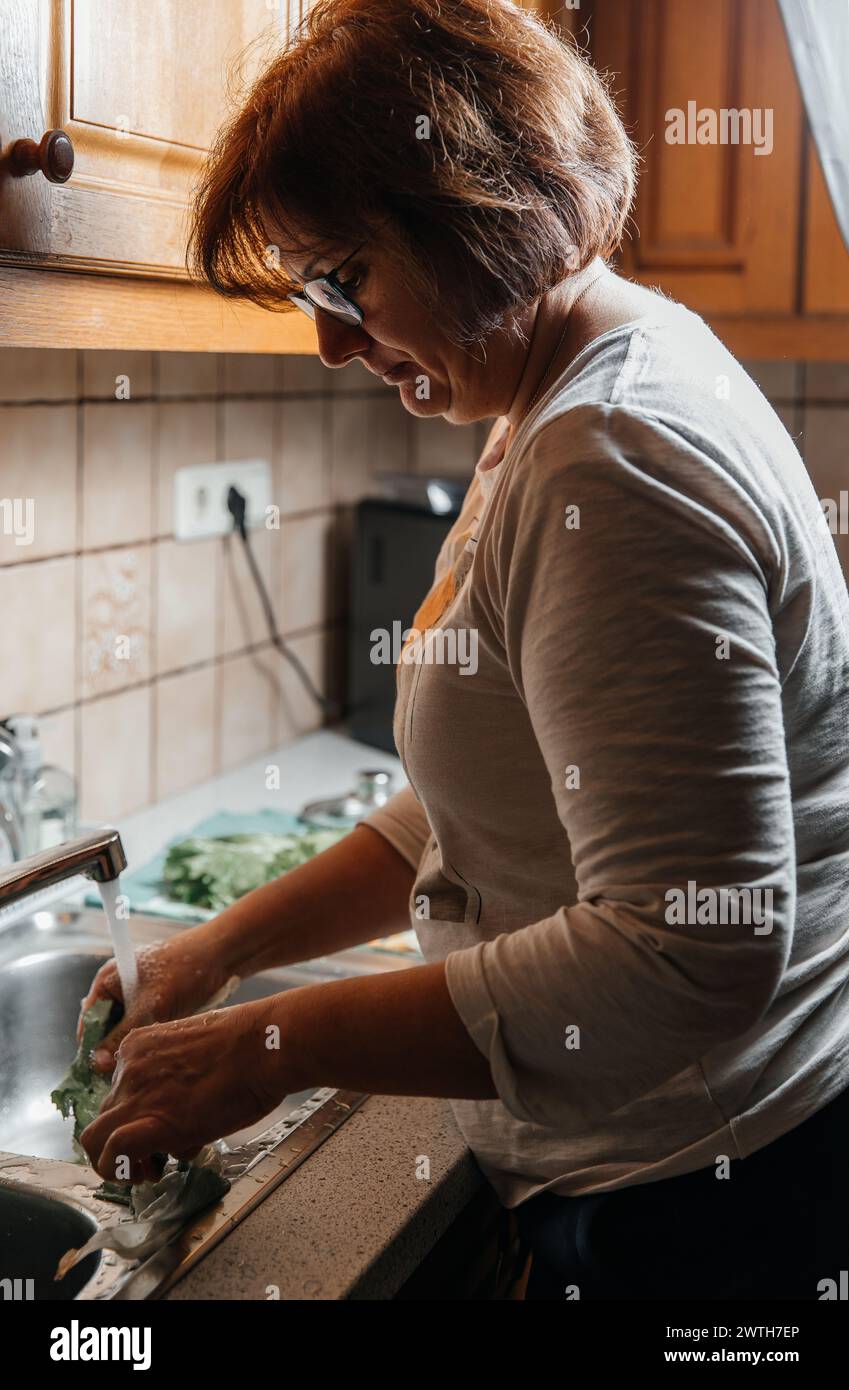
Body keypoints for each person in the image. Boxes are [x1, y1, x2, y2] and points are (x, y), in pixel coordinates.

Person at [79, 0, 849, 1300]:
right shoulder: (565, 390)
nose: (326, 339)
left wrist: (270, 1042)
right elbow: (484, 803)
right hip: (668, 1157)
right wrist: (216, 954)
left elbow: (689, 949)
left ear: (475, 216)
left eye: (344, 276)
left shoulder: (613, 459)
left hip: (699, 1203)